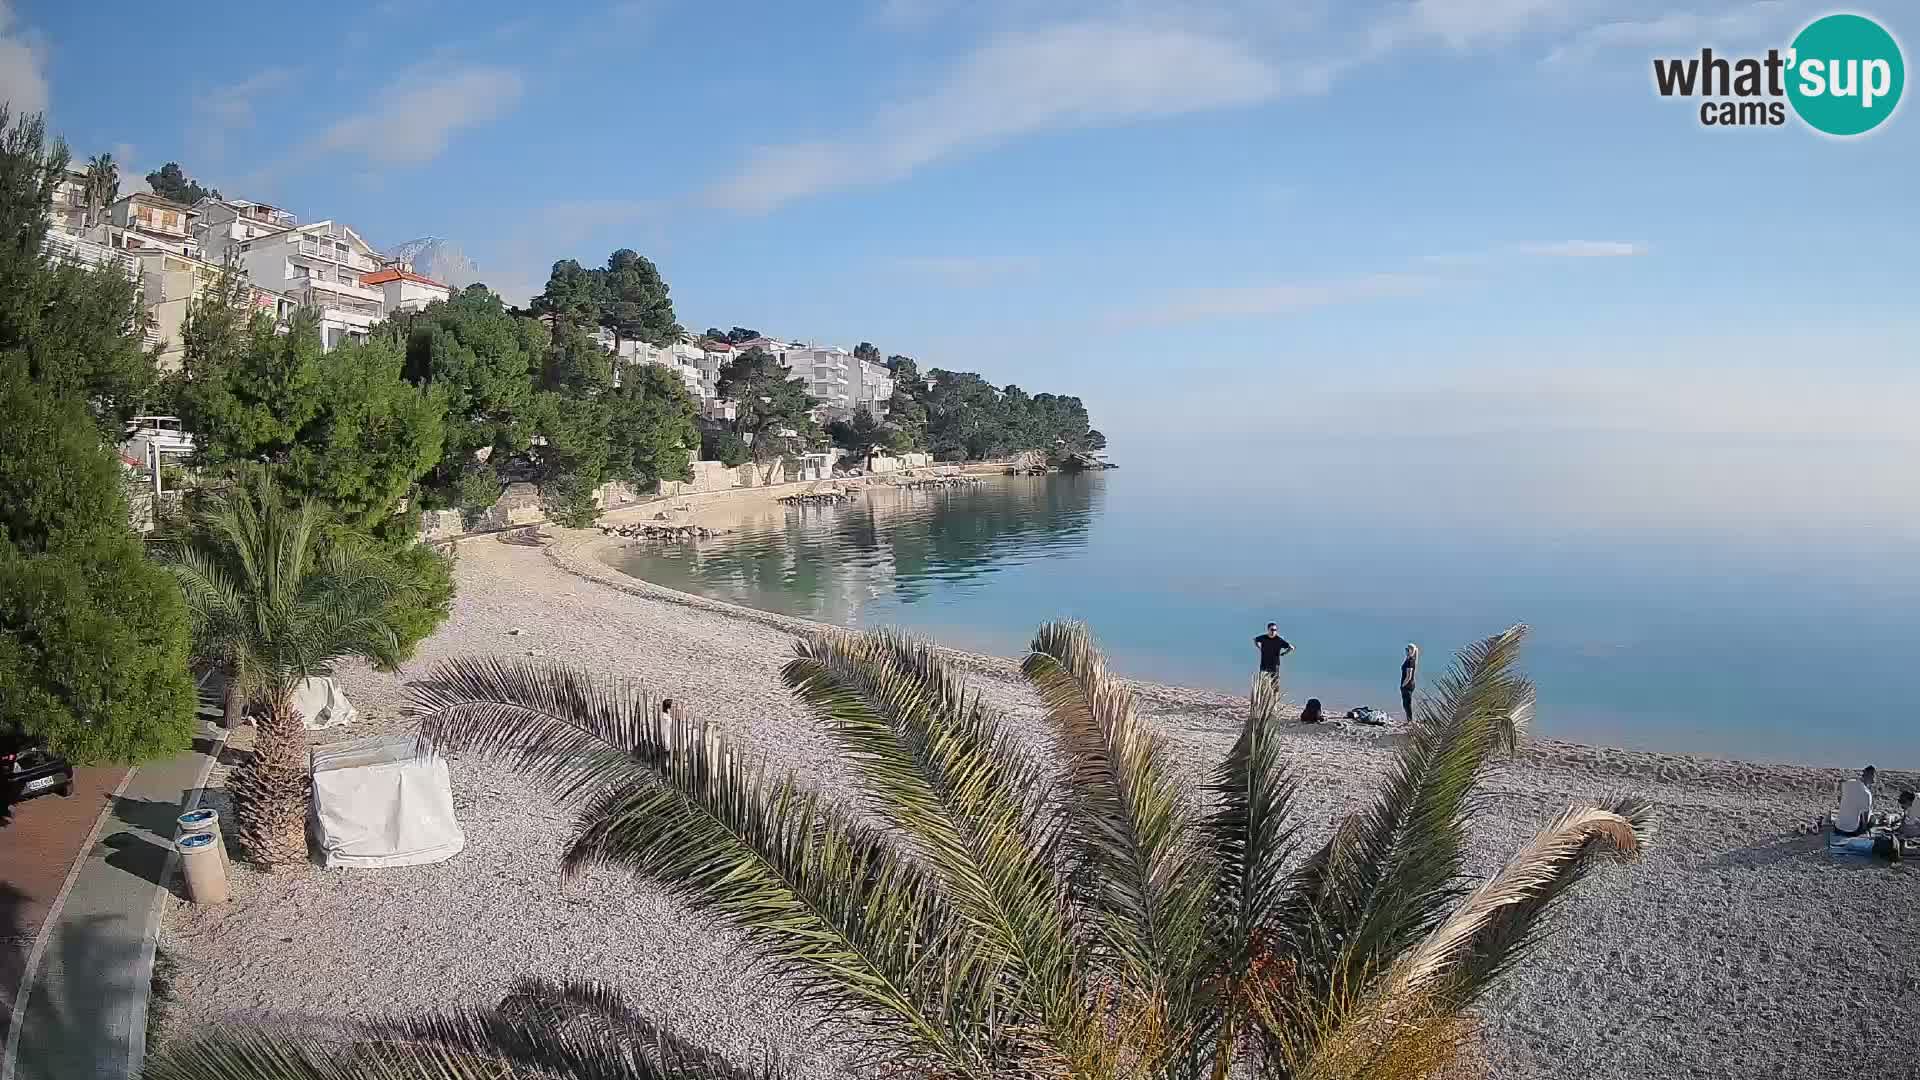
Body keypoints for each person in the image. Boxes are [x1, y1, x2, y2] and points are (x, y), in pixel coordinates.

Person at [1832, 765, 1876, 836]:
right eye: (1874, 776)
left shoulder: (1848, 783)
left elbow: (1840, 797)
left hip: (1838, 828)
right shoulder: (1867, 793)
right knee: (1873, 818)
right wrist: (1864, 829)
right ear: (1870, 776)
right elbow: (1866, 818)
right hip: (1852, 830)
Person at [1400, 643, 1419, 724]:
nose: (1406, 651)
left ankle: (1410, 721)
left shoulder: (1410, 661)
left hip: (1408, 684)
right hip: (1408, 684)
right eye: (1406, 649)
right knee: (1405, 703)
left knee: (1407, 704)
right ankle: (1409, 720)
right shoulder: (1409, 659)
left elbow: (1409, 675)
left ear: (1412, 651)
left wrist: (1403, 685)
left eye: (1408, 650)